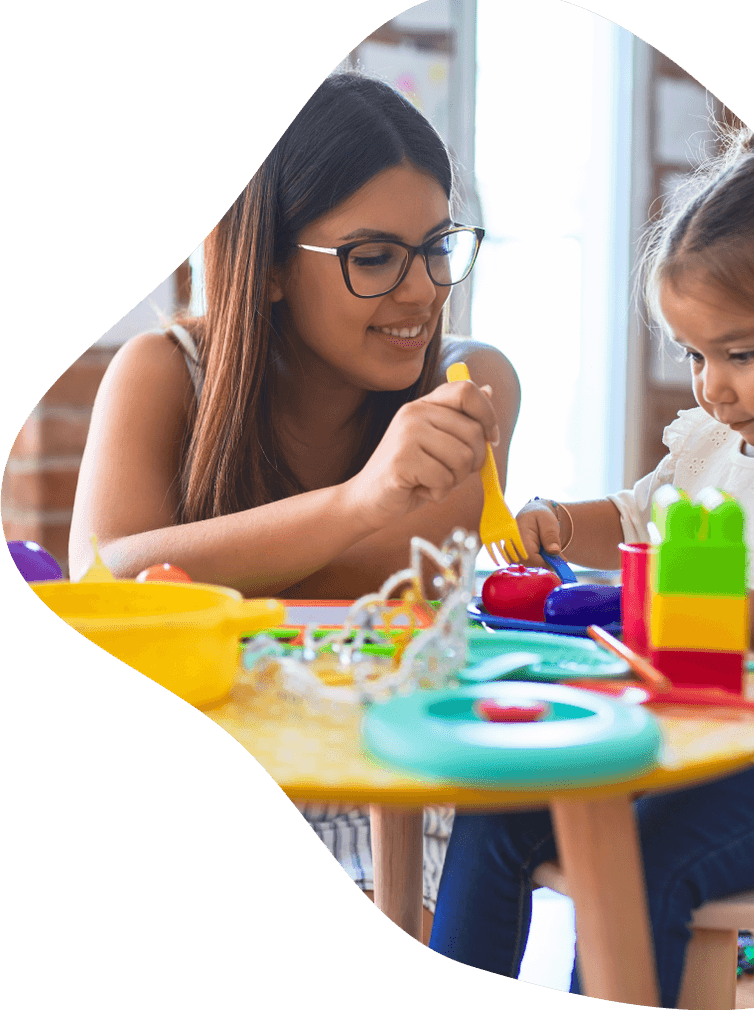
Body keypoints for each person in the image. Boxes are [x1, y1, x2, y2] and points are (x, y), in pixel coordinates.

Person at [69, 71, 520, 938]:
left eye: (437, 247)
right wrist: (361, 498)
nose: (424, 290)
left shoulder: (473, 386)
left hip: (389, 771)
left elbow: (391, 585)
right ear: (269, 267)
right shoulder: (162, 373)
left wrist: (203, 565)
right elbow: (109, 583)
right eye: (376, 257)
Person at [428, 127, 754, 1006]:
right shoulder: (714, 444)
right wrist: (558, 523)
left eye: (742, 354)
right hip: (695, 738)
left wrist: (707, 606)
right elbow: (638, 514)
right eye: (695, 355)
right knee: (499, 800)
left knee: (648, 852)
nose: (710, 388)